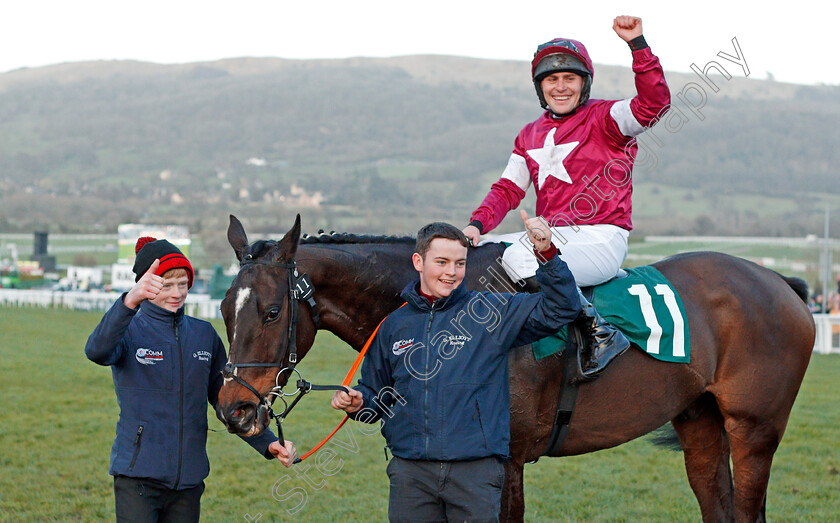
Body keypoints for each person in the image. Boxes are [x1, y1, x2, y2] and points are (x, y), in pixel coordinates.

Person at [331, 212, 581, 522]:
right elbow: (375, 396)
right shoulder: (393, 326)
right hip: (411, 476)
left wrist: (546, 253)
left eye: (460, 263)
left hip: (475, 474)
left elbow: (562, 308)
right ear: (418, 262)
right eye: (442, 262)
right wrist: (357, 402)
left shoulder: (490, 311)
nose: (452, 272)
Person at [463, 15, 671, 376]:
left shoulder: (608, 117)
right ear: (540, 87)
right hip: (550, 237)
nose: (560, 87)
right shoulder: (529, 133)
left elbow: (655, 104)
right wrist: (476, 225)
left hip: (601, 237)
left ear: (584, 83)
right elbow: (508, 189)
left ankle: (599, 330)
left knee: (519, 260)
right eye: (551, 79)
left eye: (569, 78)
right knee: (477, 254)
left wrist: (638, 45)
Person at [85, 237, 297, 522]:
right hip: (137, 478)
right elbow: (96, 351)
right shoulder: (129, 328)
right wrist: (129, 301)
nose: (176, 293)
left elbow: (228, 399)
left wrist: (267, 443)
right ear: (146, 285)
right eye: (166, 284)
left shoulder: (203, 335)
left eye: (182, 284)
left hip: (188, 482)